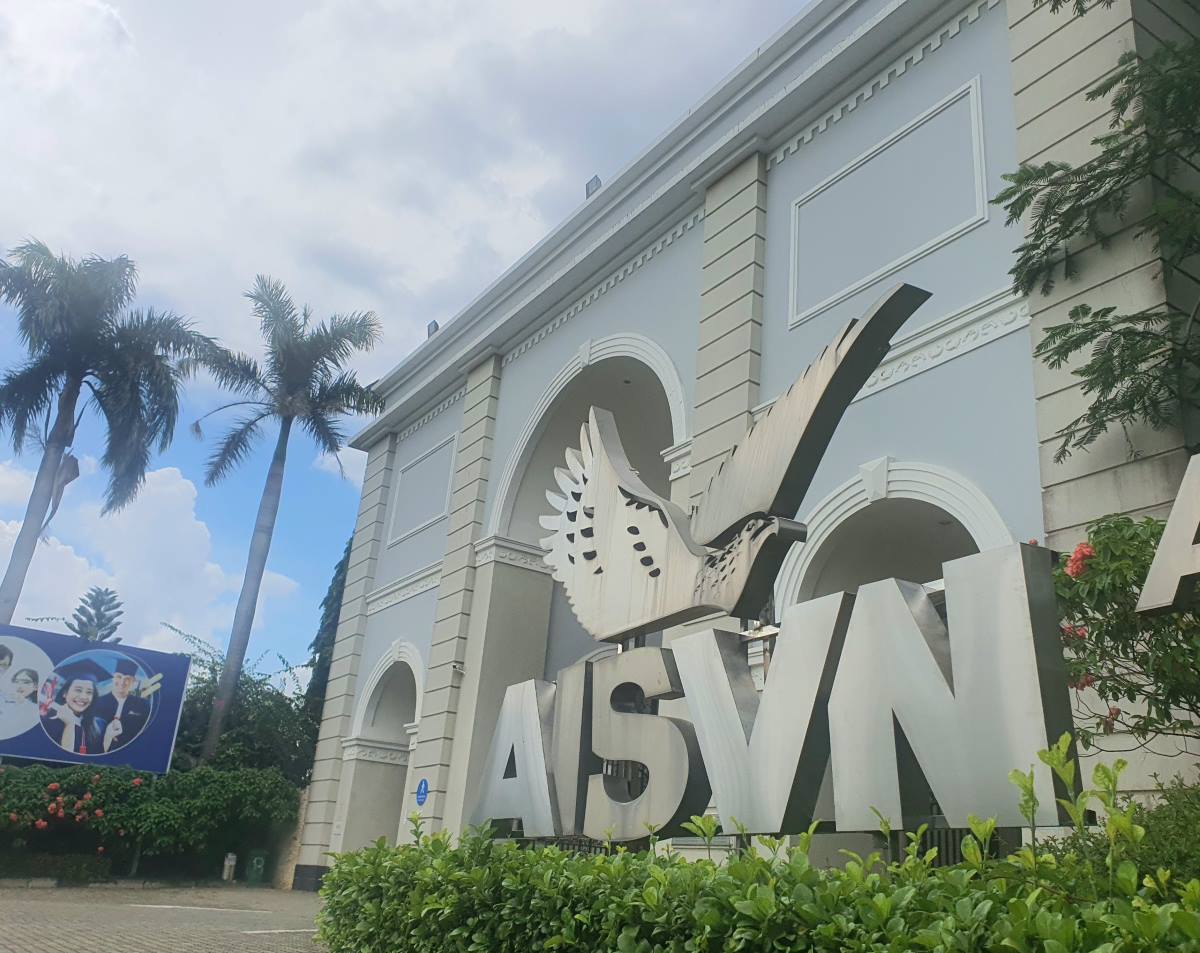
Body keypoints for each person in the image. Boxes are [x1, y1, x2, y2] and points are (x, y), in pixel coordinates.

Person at [40, 659, 111, 755]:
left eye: (89, 692)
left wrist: (109, 737)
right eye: (78, 690)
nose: (83, 697)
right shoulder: (48, 721)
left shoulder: (99, 725)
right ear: (65, 693)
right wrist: (69, 724)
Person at [93, 658, 151, 750]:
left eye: (127, 678)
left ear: (133, 681)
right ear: (113, 678)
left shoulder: (142, 705)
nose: (122, 682)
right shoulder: (97, 703)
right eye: (119, 676)